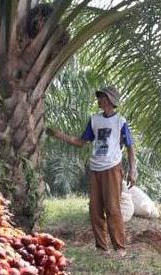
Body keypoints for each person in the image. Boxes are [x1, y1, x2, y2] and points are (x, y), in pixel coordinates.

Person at [47, 86, 137, 257]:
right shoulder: (94, 120)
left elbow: (130, 147)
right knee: (95, 209)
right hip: (95, 168)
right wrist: (59, 135)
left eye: (102, 97)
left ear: (110, 101)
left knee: (112, 208)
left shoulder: (120, 121)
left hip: (112, 167)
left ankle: (120, 248)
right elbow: (81, 142)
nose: (99, 100)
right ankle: (102, 248)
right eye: (99, 97)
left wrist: (133, 171)